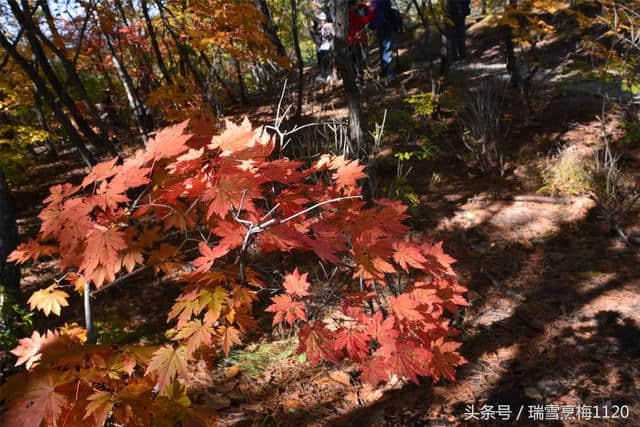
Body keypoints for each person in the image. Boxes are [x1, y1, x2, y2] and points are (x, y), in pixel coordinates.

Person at [348, 0, 372, 87]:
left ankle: (358, 80)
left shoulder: (347, 14)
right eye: (355, 5)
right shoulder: (353, 14)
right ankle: (361, 81)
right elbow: (366, 20)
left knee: (355, 61)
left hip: (352, 41)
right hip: (358, 41)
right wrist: (369, 8)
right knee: (360, 61)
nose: (357, 6)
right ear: (352, 6)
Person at [370, 0, 395, 79]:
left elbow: (372, 11)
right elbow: (388, 11)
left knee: (383, 48)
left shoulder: (374, 1)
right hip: (384, 25)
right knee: (387, 48)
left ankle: (384, 71)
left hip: (379, 26)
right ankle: (386, 73)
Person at [313, 12, 335, 82]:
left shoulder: (327, 26)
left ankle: (327, 77)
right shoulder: (326, 26)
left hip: (327, 46)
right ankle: (326, 76)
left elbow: (328, 36)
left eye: (321, 20)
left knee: (326, 62)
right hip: (326, 47)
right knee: (325, 62)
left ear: (324, 20)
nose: (320, 21)